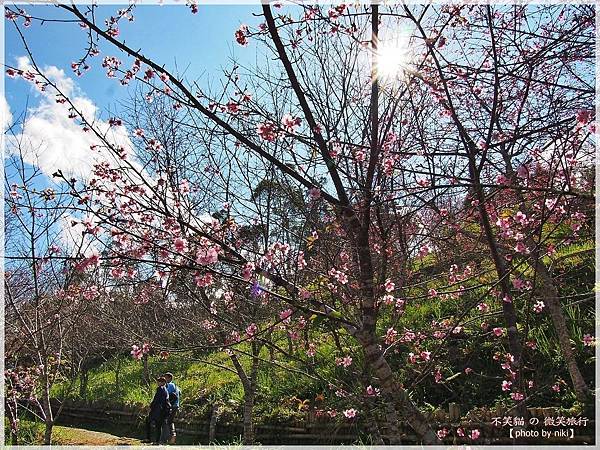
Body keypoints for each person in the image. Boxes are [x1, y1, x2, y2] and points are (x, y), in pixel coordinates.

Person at [143, 376, 170, 444]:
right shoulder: (165, 390)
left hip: (157, 410)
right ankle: (157, 441)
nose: (158, 383)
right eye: (158, 381)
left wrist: (150, 407)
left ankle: (148, 438)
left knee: (148, 421)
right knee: (158, 426)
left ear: (163, 382)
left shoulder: (160, 389)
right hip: (162, 410)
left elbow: (156, 400)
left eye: (159, 381)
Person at [164, 372, 181, 444]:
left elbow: (165, 394)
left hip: (171, 405)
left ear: (170, 378)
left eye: (166, 378)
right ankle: (170, 437)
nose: (165, 379)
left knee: (168, 421)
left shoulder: (170, 385)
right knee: (170, 420)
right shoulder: (176, 386)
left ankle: (172, 436)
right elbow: (180, 393)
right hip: (176, 405)